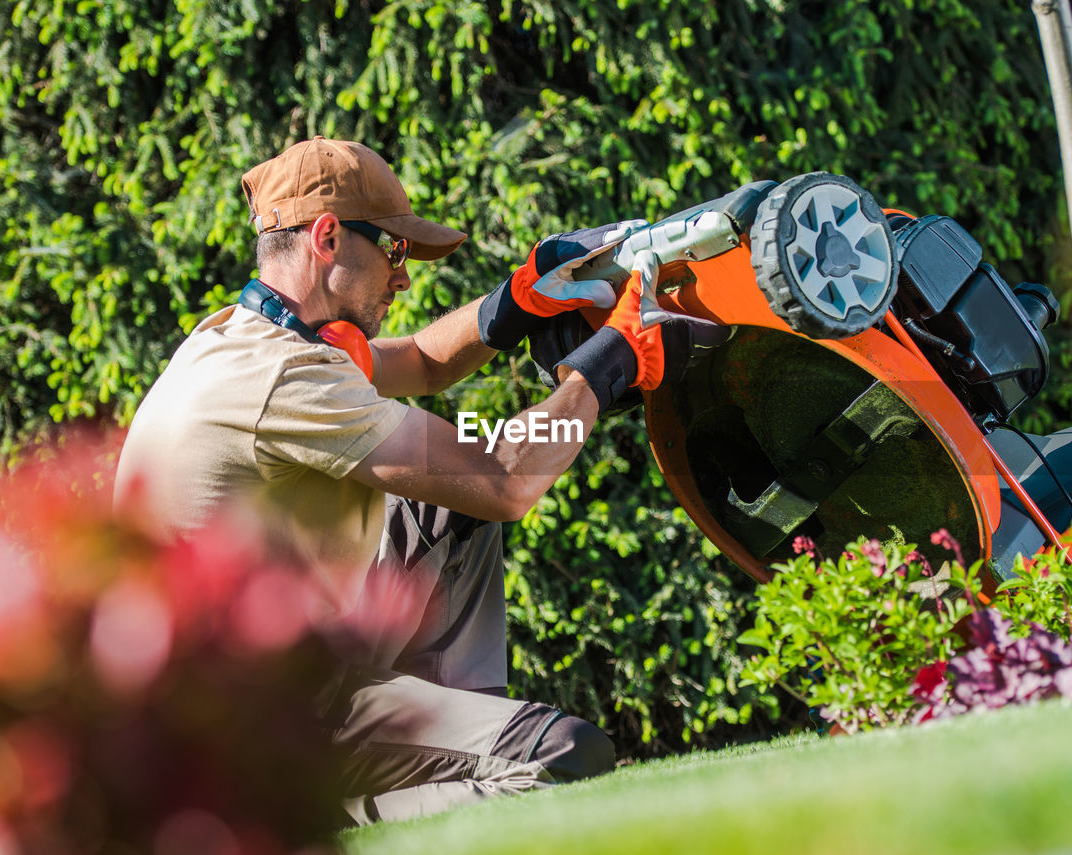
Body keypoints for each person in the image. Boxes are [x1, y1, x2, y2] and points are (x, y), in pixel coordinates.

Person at [113, 137, 717, 823]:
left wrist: (516, 303)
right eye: (394, 252)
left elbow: (426, 362)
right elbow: (505, 480)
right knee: (566, 757)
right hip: (257, 731)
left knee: (444, 503)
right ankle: (320, 816)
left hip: (275, 678)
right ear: (328, 236)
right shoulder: (283, 378)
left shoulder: (240, 339)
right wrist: (608, 364)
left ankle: (463, 736)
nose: (403, 278)